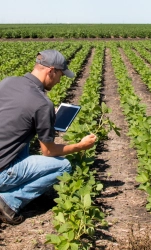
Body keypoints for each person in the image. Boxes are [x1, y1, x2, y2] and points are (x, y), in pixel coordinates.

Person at [0, 49, 97, 225]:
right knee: (63, 166)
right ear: (51, 70)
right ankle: (9, 201)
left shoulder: (8, 82)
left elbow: (15, 113)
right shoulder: (42, 103)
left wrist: (43, 118)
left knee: (23, 139)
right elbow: (48, 151)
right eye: (60, 74)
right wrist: (81, 146)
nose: (60, 80)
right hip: (2, 173)